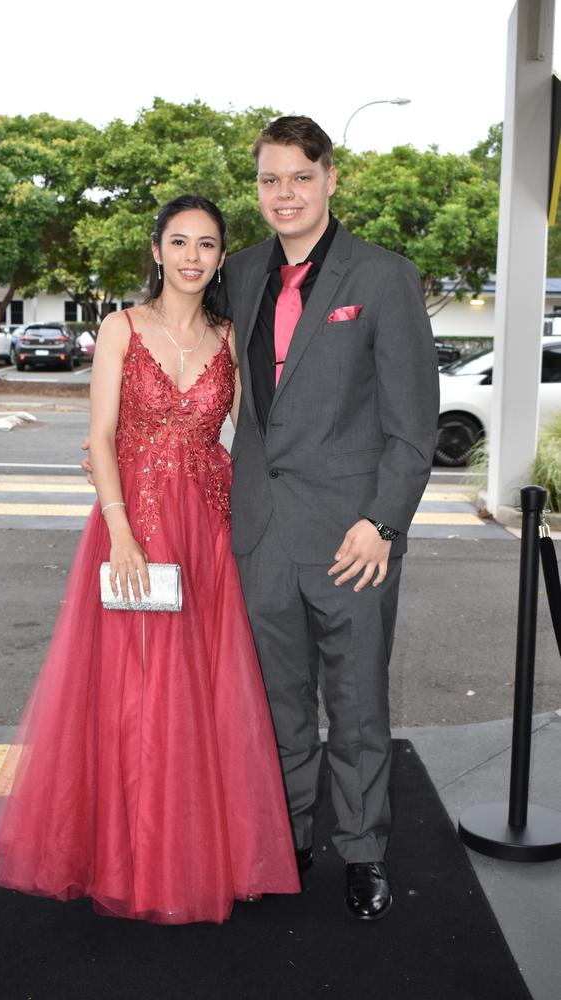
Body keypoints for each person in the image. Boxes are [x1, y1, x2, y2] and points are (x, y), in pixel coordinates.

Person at [0, 194, 300, 924]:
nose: (191, 256)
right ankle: (125, 851)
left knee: (204, 690)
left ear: (220, 256)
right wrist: (120, 529)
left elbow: (252, 437)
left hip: (208, 527)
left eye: (207, 244)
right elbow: (100, 436)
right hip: (135, 524)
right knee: (131, 687)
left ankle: (199, 848)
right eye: (178, 242)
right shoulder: (120, 328)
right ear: (156, 251)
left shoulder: (229, 334)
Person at [224, 116, 440, 921]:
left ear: (331, 179)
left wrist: (382, 522)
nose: (284, 194)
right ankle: (289, 834)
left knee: (356, 705)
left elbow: (415, 424)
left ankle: (363, 850)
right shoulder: (241, 272)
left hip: (353, 537)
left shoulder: (382, 276)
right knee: (279, 702)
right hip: (261, 531)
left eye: (299, 178)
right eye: (270, 179)